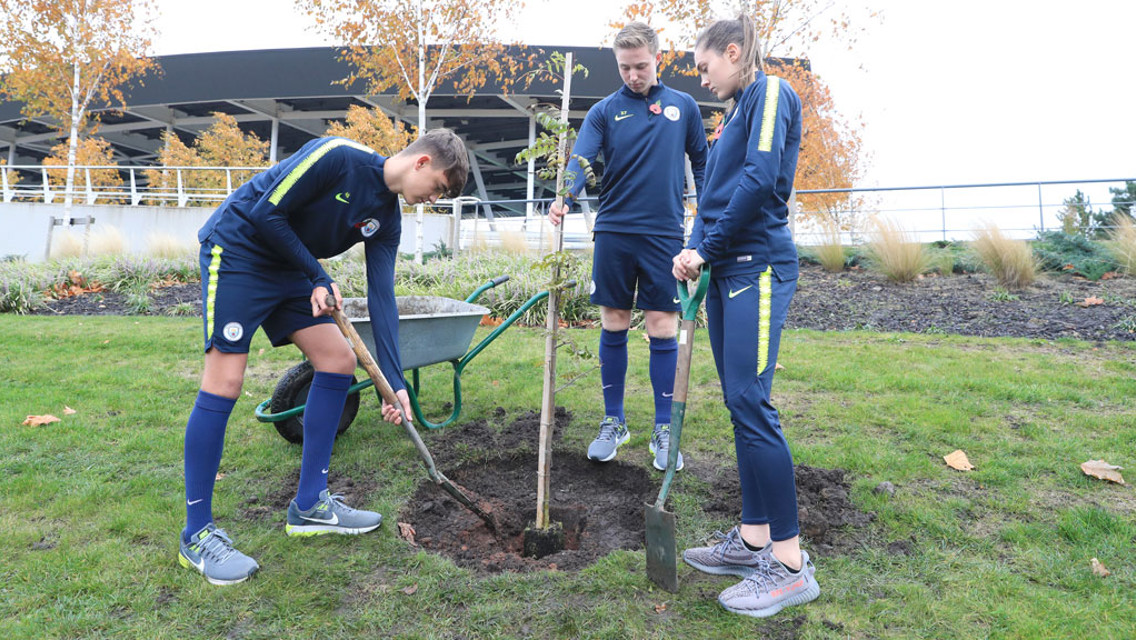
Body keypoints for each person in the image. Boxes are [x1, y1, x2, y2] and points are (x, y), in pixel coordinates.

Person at [178, 129, 468, 585]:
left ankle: (310, 505)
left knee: (338, 360)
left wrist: (392, 384)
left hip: (289, 267)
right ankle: (196, 535)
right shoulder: (338, 157)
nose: (433, 199)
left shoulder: (386, 218)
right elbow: (266, 211)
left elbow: (383, 299)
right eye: (438, 188)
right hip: (238, 251)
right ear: (422, 162)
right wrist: (317, 275)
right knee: (225, 381)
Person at [672, 15, 819, 618]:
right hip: (725, 270)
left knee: (752, 403)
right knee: (739, 403)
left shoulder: (771, 93)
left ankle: (789, 565)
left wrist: (706, 248)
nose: (703, 79)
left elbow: (759, 181)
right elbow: (712, 195)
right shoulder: (734, 114)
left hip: (757, 267)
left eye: (705, 66)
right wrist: (692, 247)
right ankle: (753, 539)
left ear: (734, 52)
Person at [550, 21, 707, 471]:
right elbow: (581, 158)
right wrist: (564, 197)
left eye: (640, 66)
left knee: (661, 325)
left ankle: (664, 429)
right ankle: (614, 421)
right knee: (614, 321)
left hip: (663, 235)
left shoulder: (683, 106)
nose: (633, 75)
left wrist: (708, 216)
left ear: (657, 59)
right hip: (614, 231)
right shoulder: (604, 111)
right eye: (625, 68)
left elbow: (703, 162)